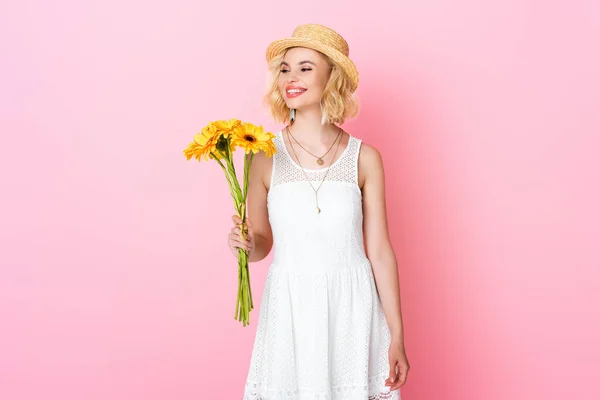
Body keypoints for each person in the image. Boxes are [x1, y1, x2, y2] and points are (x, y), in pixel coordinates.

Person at [228, 24, 410, 399]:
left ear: (332, 78)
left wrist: (397, 335)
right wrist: (244, 244)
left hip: (353, 309)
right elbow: (262, 244)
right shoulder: (262, 156)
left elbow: (379, 251)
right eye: (285, 69)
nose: (291, 78)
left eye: (305, 67)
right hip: (291, 311)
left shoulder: (365, 158)